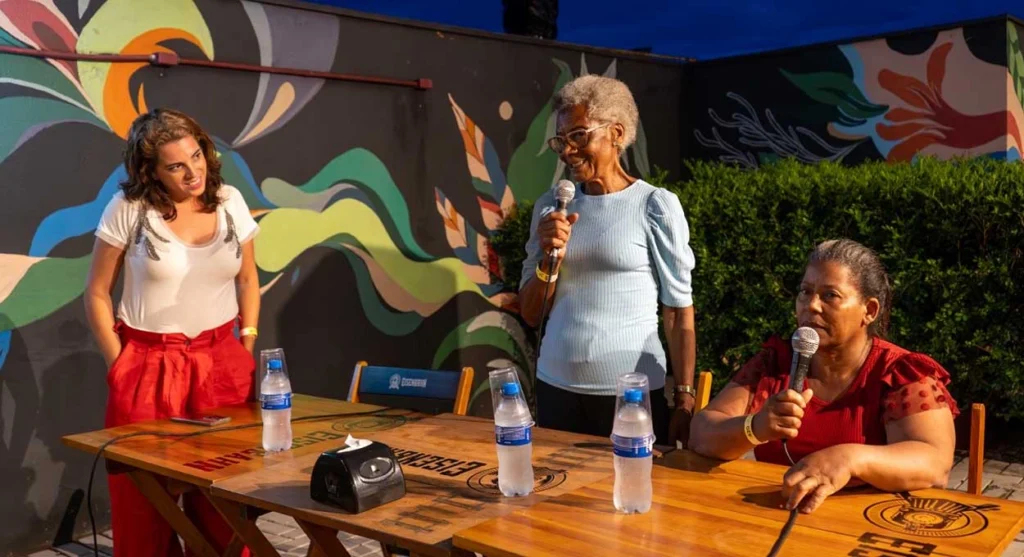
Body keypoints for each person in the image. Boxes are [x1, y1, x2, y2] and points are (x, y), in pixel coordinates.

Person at [84, 108, 260, 556]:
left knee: (225, 503)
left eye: (196, 156)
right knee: (145, 509)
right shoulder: (128, 208)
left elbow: (247, 280)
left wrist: (246, 344)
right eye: (176, 165)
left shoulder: (231, 201)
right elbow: (97, 293)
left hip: (222, 364)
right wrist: (120, 366)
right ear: (152, 171)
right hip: (147, 366)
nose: (193, 172)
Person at [689, 239, 958, 514]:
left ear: (869, 310)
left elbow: (934, 464)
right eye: (805, 292)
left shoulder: (899, 373)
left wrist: (851, 459)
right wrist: (754, 427)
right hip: (773, 517)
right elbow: (701, 434)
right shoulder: (775, 363)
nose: (812, 305)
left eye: (830, 295)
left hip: (859, 526)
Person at [519, 75, 698, 445]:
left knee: (629, 483)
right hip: (555, 388)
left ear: (616, 133)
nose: (567, 150)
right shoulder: (551, 207)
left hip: (631, 395)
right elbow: (532, 314)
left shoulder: (654, 206)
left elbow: (678, 312)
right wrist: (549, 262)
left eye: (578, 135)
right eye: (561, 140)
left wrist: (684, 397)